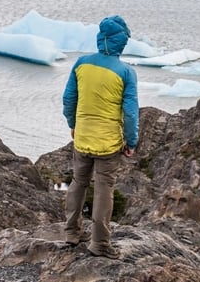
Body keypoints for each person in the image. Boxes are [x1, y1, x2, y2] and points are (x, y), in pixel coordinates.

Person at [62, 14, 139, 259]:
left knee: (78, 182)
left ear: (100, 38)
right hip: (108, 144)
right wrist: (131, 141)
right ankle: (99, 243)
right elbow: (130, 113)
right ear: (121, 42)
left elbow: (68, 99)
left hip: (82, 137)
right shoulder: (126, 72)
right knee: (104, 188)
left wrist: (73, 124)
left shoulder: (81, 63)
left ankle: (72, 233)